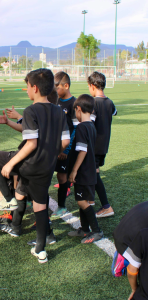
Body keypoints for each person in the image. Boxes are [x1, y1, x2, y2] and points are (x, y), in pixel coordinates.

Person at [0, 69, 70, 263]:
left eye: (27, 87)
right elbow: (64, 141)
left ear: (34, 87)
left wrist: (11, 163)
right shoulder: (59, 111)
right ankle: (40, 250)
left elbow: (31, 144)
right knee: (40, 206)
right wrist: (50, 151)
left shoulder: (31, 110)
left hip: (29, 164)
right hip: (47, 167)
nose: (26, 90)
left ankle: (10, 200)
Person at [68, 94, 103, 243]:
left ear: (79, 109)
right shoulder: (91, 126)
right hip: (89, 171)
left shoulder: (82, 127)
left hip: (83, 171)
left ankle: (96, 231)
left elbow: (83, 151)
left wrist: (74, 170)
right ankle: (84, 229)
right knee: (82, 200)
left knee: (83, 203)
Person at [88, 72, 117, 217]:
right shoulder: (109, 102)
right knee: (93, 172)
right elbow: (115, 112)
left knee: (94, 174)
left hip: (93, 146)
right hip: (104, 145)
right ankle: (90, 199)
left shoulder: (94, 103)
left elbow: (90, 123)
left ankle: (106, 206)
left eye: (89, 87)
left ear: (92, 86)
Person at [51, 71, 78, 218]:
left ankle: (61, 206)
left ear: (66, 86)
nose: (55, 90)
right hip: (52, 147)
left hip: (65, 149)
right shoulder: (55, 101)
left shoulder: (73, 104)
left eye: (57, 87)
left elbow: (75, 129)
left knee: (62, 178)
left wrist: (66, 149)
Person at [112, 202, 148, 300]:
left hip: (121, 234)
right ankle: (124, 259)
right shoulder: (144, 234)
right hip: (126, 242)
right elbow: (132, 270)